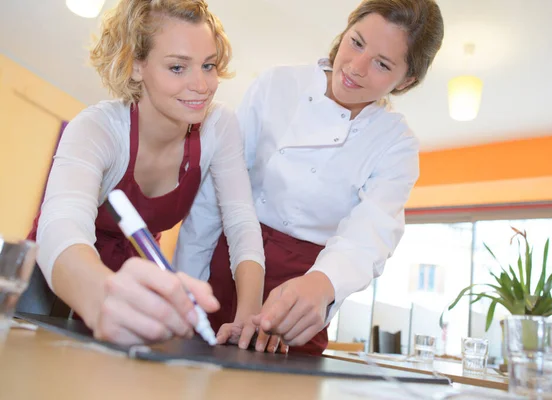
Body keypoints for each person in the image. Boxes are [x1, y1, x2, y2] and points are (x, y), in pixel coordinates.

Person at [175, 0, 444, 355]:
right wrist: (186, 286)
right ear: (346, 30)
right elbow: (218, 191)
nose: (356, 67)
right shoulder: (277, 84)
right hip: (228, 261)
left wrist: (322, 285)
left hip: (304, 285)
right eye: (357, 42)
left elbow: (373, 230)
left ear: (406, 80)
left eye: (382, 64)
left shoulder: (396, 142)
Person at [24, 0, 265, 346]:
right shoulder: (96, 128)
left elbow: (241, 220)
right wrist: (102, 298)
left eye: (208, 65)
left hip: (126, 277)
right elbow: (61, 228)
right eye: (178, 68)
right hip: (59, 271)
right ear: (137, 66)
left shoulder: (219, 125)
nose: (202, 85)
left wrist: (249, 313)